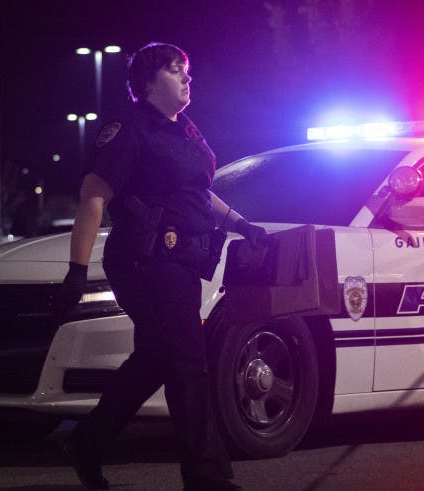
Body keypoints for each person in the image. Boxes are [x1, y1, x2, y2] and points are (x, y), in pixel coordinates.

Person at [51, 42, 265, 491]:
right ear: (148, 82)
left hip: (183, 262)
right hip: (143, 260)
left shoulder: (185, 131)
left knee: (155, 358)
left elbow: (198, 193)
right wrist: (76, 269)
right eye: (176, 71)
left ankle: (89, 441)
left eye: (188, 71)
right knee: (188, 360)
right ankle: (206, 476)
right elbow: (94, 195)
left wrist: (243, 224)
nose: (188, 78)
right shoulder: (128, 129)